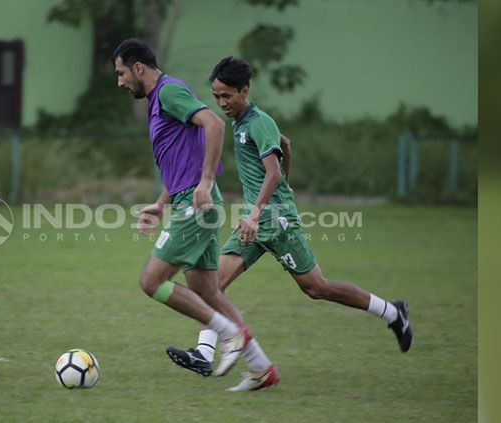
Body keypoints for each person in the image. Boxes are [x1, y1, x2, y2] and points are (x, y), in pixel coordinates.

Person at [167, 56, 414, 391]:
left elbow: (273, 171)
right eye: (217, 97)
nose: (222, 103)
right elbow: (286, 144)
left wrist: (262, 205)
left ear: (245, 90)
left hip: (274, 220)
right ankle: (204, 353)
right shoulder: (240, 123)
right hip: (257, 221)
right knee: (212, 285)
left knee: (316, 288)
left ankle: (392, 312)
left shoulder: (258, 121)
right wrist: (283, 188)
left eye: (227, 96)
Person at [112, 39, 279, 383]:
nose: (120, 81)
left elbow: (214, 125)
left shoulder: (169, 92)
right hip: (191, 200)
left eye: (121, 73)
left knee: (151, 281)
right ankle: (262, 367)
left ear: (138, 68)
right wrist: (161, 204)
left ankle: (229, 333)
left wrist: (204, 182)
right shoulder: (160, 100)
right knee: (206, 290)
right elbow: (180, 157)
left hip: (197, 203)